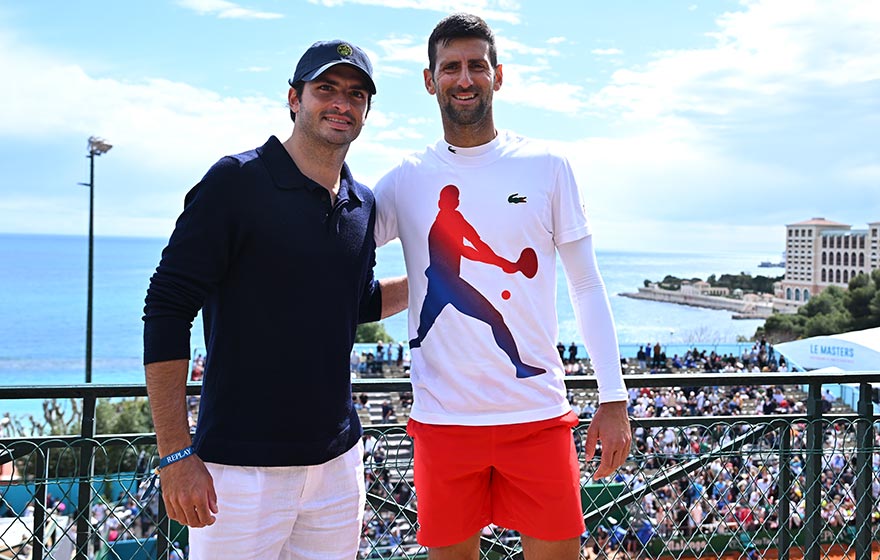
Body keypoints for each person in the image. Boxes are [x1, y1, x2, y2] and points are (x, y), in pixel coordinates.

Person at [373, 13, 631, 559]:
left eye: (476, 66)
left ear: (498, 75)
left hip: (537, 419)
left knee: (476, 317)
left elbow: (586, 284)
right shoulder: (406, 178)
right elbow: (333, 246)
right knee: (453, 315)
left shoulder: (547, 165)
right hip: (443, 424)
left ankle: (507, 360)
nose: (464, 78)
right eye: (450, 68)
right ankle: (429, 335)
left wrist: (614, 397)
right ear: (429, 80)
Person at [143, 39, 406, 560]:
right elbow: (167, 307)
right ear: (294, 98)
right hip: (238, 472)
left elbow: (355, 303)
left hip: (337, 467)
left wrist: (441, 279)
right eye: (325, 88)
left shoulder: (361, 204)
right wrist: (175, 452)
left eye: (356, 94)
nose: (341, 103)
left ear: (366, 111)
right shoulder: (235, 183)